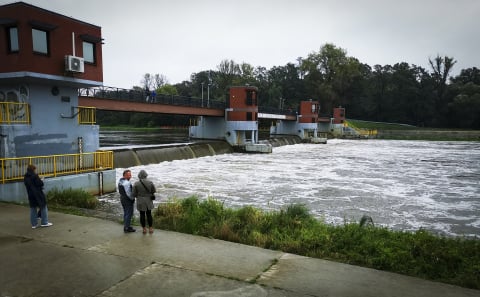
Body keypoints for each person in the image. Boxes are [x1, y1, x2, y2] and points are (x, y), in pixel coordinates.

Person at [24, 164, 52, 228]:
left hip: (30, 194)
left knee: (33, 208)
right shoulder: (35, 176)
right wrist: (41, 180)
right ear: (33, 169)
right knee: (43, 207)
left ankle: (34, 224)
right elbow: (40, 184)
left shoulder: (25, 177)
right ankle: (44, 222)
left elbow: (29, 185)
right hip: (38, 194)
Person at [132, 169, 156, 234]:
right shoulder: (150, 182)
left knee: (142, 214)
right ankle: (150, 228)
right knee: (149, 214)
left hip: (140, 200)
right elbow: (154, 191)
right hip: (148, 200)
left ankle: (144, 229)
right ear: (146, 175)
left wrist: (138, 196)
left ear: (139, 176)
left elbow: (133, 194)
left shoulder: (136, 183)